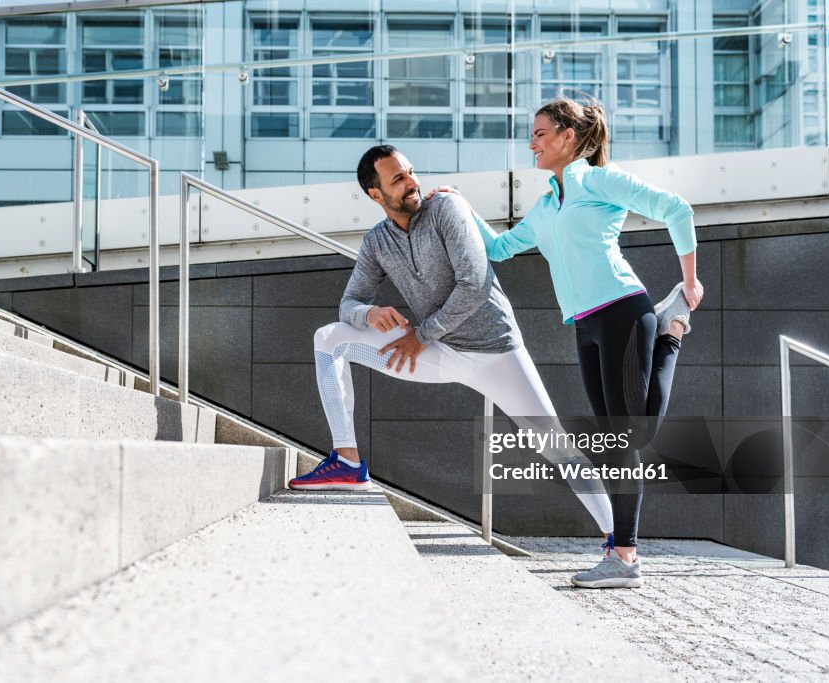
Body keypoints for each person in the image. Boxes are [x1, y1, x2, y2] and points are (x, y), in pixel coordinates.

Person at [289, 144, 615, 541]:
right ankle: (347, 460)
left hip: (497, 352)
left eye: (411, 172)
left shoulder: (445, 209)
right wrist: (368, 314)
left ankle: (619, 543)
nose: (412, 183)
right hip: (441, 353)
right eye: (398, 179)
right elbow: (348, 303)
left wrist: (420, 336)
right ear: (376, 195)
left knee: (556, 448)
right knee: (329, 339)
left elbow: (474, 284)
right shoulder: (377, 242)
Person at [442, 98, 702, 588]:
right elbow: (499, 249)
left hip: (624, 309)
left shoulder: (598, 180)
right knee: (618, 441)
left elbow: (676, 209)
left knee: (628, 440)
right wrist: (462, 207)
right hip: (585, 325)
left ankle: (623, 559)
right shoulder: (545, 206)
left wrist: (690, 283)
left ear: (568, 137)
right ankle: (672, 333)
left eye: (540, 133)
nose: (532, 142)